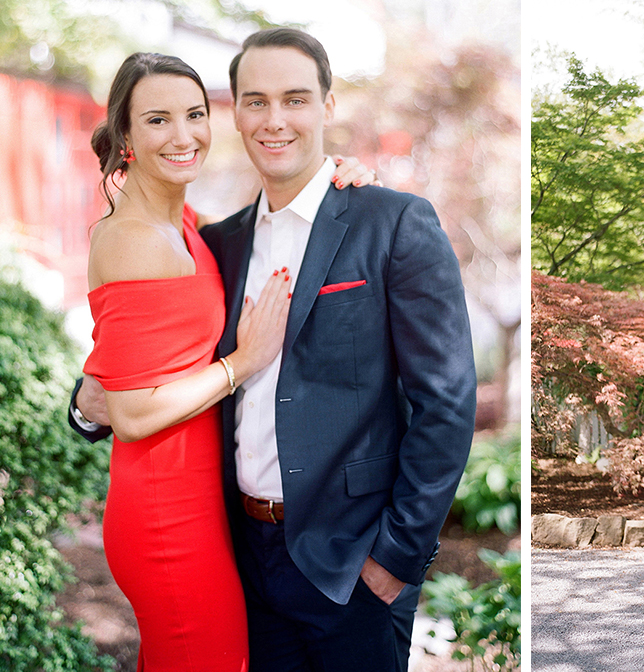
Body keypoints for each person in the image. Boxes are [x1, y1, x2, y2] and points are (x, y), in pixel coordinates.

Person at [73, 28, 476, 672]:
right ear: (235, 112)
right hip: (237, 555)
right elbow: (144, 346)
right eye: (255, 101)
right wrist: (88, 402)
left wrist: (396, 558)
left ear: (327, 106)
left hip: (352, 567)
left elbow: (447, 403)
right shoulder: (221, 241)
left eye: (295, 98)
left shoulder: (393, 221)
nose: (275, 119)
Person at [81, 52, 293, 671]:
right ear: (125, 136)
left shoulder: (184, 222)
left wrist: (343, 177)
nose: (183, 135)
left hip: (197, 501)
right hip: (163, 514)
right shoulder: (133, 238)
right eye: (157, 120)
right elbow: (132, 413)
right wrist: (242, 362)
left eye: (195, 115)